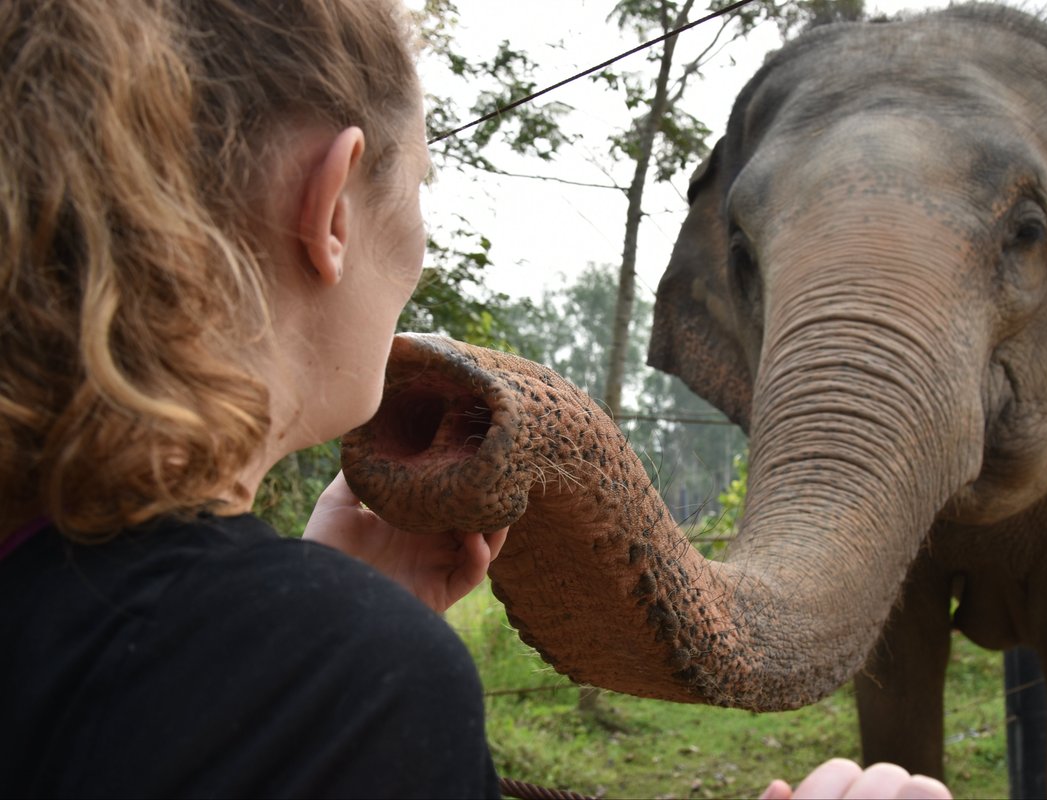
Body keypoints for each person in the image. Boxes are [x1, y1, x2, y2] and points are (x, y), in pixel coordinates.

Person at [0, 2, 951, 798]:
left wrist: (301, 612)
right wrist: (317, 646)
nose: (418, 237)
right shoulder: (341, 679)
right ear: (332, 208)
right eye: (419, 182)